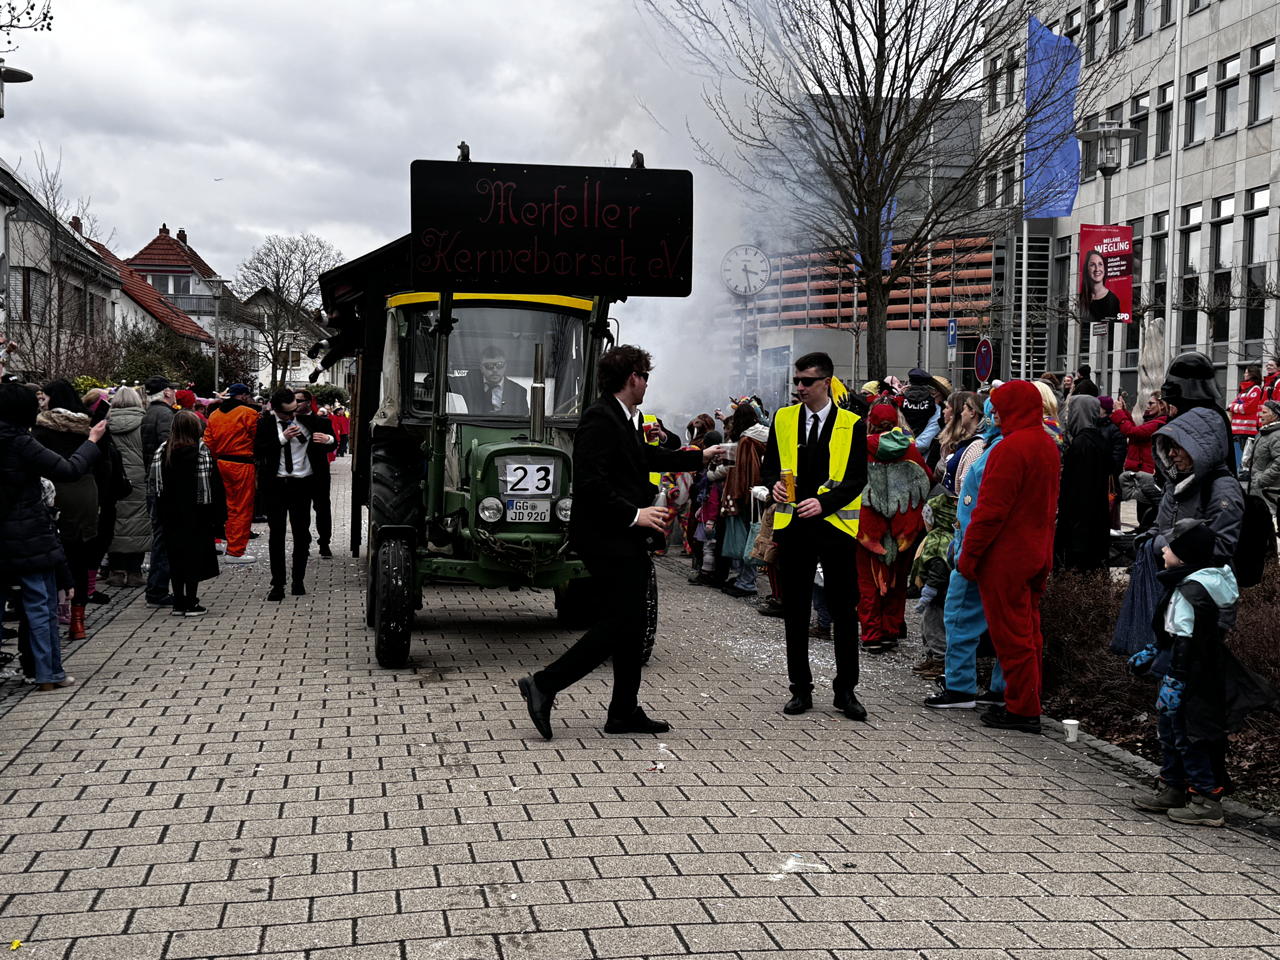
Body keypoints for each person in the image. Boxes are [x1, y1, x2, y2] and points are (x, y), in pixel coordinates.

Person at [516, 345, 710, 739]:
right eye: (646, 376)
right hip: (605, 536)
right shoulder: (599, 418)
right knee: (620, 621)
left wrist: (702, 457)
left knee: (633, 624)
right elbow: (589, 483)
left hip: (622, 535)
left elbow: (643, 457)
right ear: (632, 377)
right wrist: (635, 514)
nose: (648, 383)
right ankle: (544, 684)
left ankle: (623, 711)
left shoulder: (624, 418)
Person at [1129, 519, 1275, 826]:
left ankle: (1206, 798)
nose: (1164, 549)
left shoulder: (1190, 589)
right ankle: (1173, 787)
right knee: (1170, 730)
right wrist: (1155, 650)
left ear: (1183, 556)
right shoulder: (1188, 582)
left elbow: (1188, 639)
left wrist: (1176, 679)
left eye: (1169, 546)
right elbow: (1174, 633)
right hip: (1185, 665)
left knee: (1188, 734)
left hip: (1190, 672)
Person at [760, 351, 868, 719]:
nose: (800, 388)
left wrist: (824, 503)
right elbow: (770, 466)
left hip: (835, 527)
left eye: (807, 381)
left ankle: (846, 691)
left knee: (843, 610)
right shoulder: (784, 418)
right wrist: (773, 484)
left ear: (826, 382)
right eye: (797, 381)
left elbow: (856, 479)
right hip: (794, 528)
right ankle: (800, 690)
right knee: (795, 610)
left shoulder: (852, 423)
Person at [956, 380, 1061, 733]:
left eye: (998, 406)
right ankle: (1025, 701)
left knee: (1011, 637)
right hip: (1035, 551)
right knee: (1029, 633)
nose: (992, 412)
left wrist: (968, 557)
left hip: (1006, 558)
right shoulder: (1047, 445)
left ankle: (1021, 709)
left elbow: (989, 513)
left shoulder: (1009, 449)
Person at [0, 382, 107, 689]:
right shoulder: (21, 441)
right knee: (40, 604)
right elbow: (68, 470)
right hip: (28, 533)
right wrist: (91, 441)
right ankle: (47, 673)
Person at [927, 399, 1006, 710]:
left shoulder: (997, 449)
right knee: (1001, 621)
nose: (991, 414)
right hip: (982, 545)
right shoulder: (998, 444)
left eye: (996, 409)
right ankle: (998, 689)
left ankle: (961, 687)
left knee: (960, 615)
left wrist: (966, 549)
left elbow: (981, 504)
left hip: (977, 547)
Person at [32, 380, 112, 642]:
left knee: (55, 554)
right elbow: (104, 464)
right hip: (85, 493)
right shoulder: (91, 427)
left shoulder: (42, 428)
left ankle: (56, 612)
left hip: (53, 493)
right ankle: (78, 619)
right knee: (81, 554)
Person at [854, 402, 930, 653]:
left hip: (869, 529)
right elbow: (927, 478)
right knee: (897, 581)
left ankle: (872, 633)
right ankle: (891, 630)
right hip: (903, 530)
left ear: (870, 422)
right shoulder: (909, 449)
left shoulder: (861, 447)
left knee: (868, 581)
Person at [255, 388, 336, 601]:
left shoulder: (309, 421)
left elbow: (332, 439)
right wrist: (282, 438)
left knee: (301, 535)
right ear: (275, 410)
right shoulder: (264, 424)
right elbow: (259, 450)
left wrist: (327, 439)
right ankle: (278, 583)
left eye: (295, 410)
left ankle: (298, 580)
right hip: (276, 485)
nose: (293, 416)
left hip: (302, 484)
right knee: (277, 534)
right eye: (288, 414)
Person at [150, 411, 225, 615]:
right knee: (194, 558)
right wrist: (218, 517)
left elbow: (157, 486)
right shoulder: (201, 452)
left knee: (175, 558)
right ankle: (191, 601)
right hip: (197, 512)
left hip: (170, 513)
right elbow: (213, 485)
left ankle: (179, 601)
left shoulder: (163, 451)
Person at [204, 384, 261, 564]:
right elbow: (256, 439)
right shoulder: (249, 413)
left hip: (220, 463)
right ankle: (236, 551)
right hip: (242, 463)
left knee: (222, 506)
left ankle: (219, 541)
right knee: (241, 508)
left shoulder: (214, 415)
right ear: (244, 396)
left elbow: (209, 442)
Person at [1055, 395, 1112, 571]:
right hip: (1096, 520)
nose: (1067, 416)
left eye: (1071, 411)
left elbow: (1077, 489)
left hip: (1079, 523)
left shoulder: (1081, 443)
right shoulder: (1098, 438)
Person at [106, 386, 152, 587]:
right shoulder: (144, 422)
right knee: (139, 522)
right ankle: (134, 571)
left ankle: (116, 570)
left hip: (112, 478)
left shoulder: (104, 423)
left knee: (114, 522)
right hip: (139, 478)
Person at [140, 376, 178, 605]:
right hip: (163, 484)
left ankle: (157, 588)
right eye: (173, 390)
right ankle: (157, 590)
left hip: (152, 481)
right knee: (163, 540)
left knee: (160, 537)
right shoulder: (165, 415)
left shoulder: (148, 414)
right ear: (166, 392)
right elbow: (168, 450)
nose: (175, 394)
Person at [1113, 392, 1169, 529]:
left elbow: (1133, 432)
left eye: (1151, 403)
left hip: (1148, 474)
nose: (1147, 406)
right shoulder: (1153, 422)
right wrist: (1125, 412)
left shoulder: (1159, 423)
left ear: (1161, 405)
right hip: (1143, 472)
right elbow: (1135, 432)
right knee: (1142, 514)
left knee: (1146, 515)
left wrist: (1120, 412)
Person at [294, 389, 336, 557]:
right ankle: (304, 541)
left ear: (308, 402)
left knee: (323, 509)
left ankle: (324, 543)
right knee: (299, 511)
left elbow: (333, 444)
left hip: (318, 473)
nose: (295, 404)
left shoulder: (322, 422)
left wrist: (328, 439)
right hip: (297, 474)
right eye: (293, 400)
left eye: (299, 401)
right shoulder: (287, 421)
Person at [450, 345, 530, 415]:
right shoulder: (468, 384)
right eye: (489, 366)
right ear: (481, 367)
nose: (495, 370)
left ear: (505, 366)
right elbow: (445, 383)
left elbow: (524, 422)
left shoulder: (518, 392)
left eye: (499, 365)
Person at [1244, 400, 1280, 520]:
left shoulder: (1277, 435)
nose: (1260, 415)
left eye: (1264, 412)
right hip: (1258, 490)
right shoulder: (1264, 432)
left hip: (1268, 492)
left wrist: (1261, 480)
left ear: (1274, 415)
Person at [1228, 364, 1264, 470]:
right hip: (1240, 429)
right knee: (1244, 451)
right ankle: (1245, 470)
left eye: (1247, 372)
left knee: (1248, 452)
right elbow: (1232, 405)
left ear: (1253, 374)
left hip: (1248, 429)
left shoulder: (1255, 389)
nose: (1245, 374)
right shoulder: (1244, 389)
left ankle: (1247, 471)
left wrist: (1234, 407)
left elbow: (1248, 408)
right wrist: (1235, 406)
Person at [1082, 250, 1121, 323]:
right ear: (1087, 269)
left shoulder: (1113, 299)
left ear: (1104, 268)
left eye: (1100, 264)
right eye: (1092, 265)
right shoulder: (1081, 299)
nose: (1097, 269)